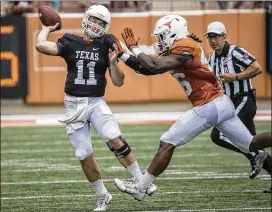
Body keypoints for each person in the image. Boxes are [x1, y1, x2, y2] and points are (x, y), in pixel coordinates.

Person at [112, 15, 272, 201]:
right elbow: (145, 68)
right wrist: (122, 54)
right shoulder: (178, 48)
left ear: (173, 32)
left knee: (167, 142)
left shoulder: (186, 45)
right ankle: (141, 187)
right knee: (251, 144)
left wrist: (133, 47)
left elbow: (153, 66)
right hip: (220, 103)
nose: (159, 40)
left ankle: (141, 187)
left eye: (162, 36)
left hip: (208, 105)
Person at [35, 5, 156, 211]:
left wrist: (114, 63)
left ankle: (141, 181)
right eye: (94, 20)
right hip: (73, 104)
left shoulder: (106, 42)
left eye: (101, 23)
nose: (96, 25)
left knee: (113, 136)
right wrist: (48, 26)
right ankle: (102, 195)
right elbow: (41, 46)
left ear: (106, 26)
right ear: (85, 19)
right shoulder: (70, 41)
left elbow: (118, 82)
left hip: (96, 102)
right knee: (83, 154)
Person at [205, 21, 271, 184]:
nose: (213, 40)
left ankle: (255, 154)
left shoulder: (236, 52)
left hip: (243, 98)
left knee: (218, 134)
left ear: (224, 36)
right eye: (210, 37)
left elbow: (257, 68)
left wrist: (235, 77)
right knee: (253, 141)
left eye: (216, 36)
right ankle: (258, 154)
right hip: (229, 102)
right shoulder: (212, 58)